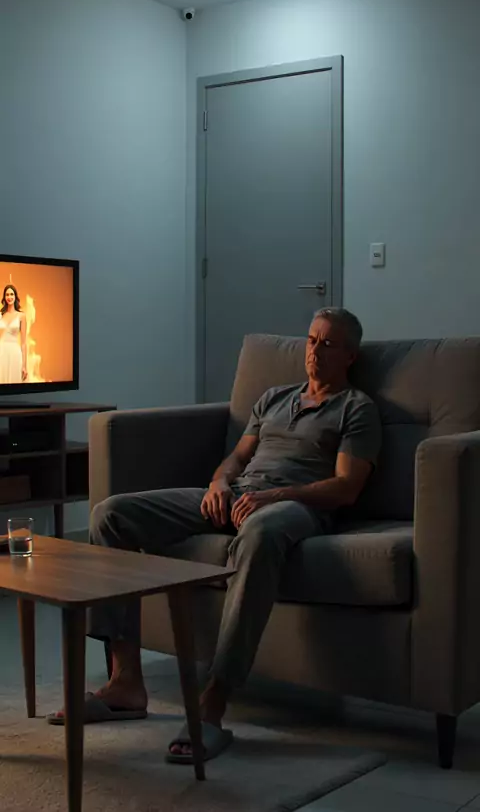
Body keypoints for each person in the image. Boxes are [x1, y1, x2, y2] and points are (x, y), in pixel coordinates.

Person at [48, 307, 382, 762]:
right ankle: (125, 682)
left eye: (328, 344)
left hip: (296, 507)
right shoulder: (274, 398)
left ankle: (212, 704)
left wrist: (273, 497)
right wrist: (219, 484)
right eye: (311, 340)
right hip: (237, 496)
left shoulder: (357, 408)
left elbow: (346, 487)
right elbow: (237, 458)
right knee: (112, 514)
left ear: (350, 356)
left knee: (260, 533)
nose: (314, 352)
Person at [0, 285, 27, 384]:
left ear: (15, 296)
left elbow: (23, 343)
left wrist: (24, 365)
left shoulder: (21, 316)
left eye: (11, 294)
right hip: (2, 352)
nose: (9, 297)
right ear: (4, 297)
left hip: (15, 353)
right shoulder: (0, 315)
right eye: (7, 295)